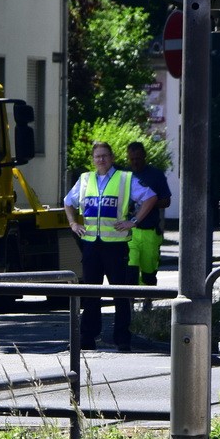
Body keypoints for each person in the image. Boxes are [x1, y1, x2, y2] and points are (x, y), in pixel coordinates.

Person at [64, 141, 158, 351]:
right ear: (93, 159)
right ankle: (88, 338)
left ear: (112, 158)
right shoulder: (85, 179)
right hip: (90, 245)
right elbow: (68, 201)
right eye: (97, 156)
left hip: (116, 247)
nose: (101, 160)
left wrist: (134, 221)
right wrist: (72, 223)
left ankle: (123, 339)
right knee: (90, 293)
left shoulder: (124, 178)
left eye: (105, 156)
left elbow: (150, 197)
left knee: (121, 294)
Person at [126, 141, 172, 311]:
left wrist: (149, 204)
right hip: (130, 231)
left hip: (150, 231)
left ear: (144, 156)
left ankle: (147, 302)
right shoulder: (125, 176)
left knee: (149, 270)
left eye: (138, 158)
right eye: (131, 159)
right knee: (130, 269)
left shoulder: (156, 175)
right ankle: (129, 305)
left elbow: (167, 201)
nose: (135, 162)